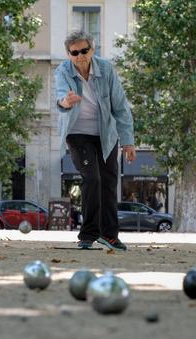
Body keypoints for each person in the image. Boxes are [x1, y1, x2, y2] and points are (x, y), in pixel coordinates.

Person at [55, 30, 136, 251]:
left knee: (109, 183)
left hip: (106, 134)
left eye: (84, 50)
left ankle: (110, 235)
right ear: (69, 54)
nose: (80, 56)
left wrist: (128, 141)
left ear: (93, 50)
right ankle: (88, 235)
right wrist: (66, 101)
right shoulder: (63, 71)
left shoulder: (106, 69)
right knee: (92, 179)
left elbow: (120, 107)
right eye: (74, 52)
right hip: (78, 133)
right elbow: (60, 97)